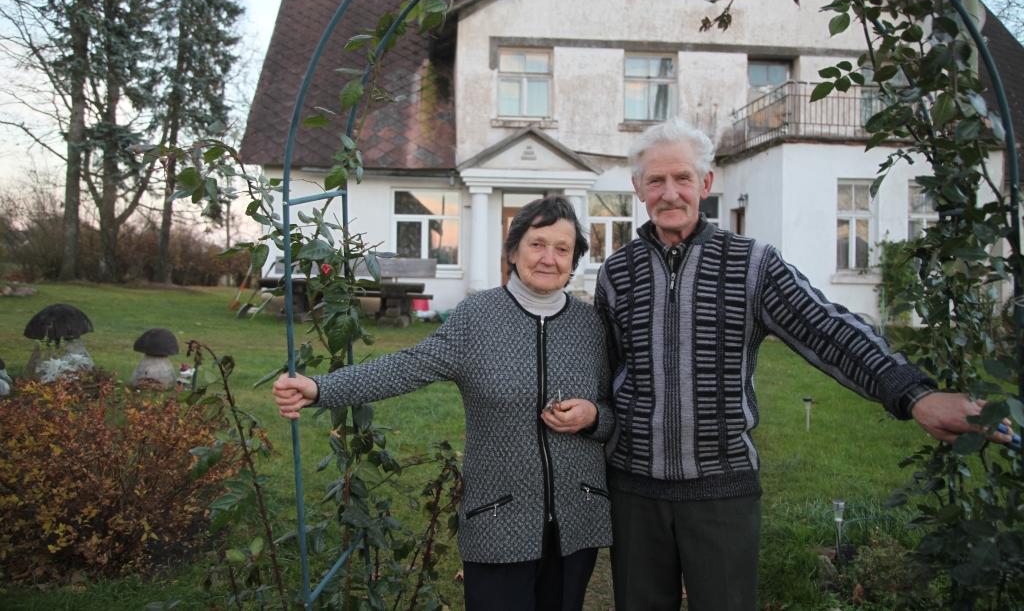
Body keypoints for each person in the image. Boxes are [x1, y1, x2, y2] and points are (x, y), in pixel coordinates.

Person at [594, 118, 1015, 611]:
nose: (670, 193)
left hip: (722, 492)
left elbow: (827, 329)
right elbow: (603, 371)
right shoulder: (616, 273)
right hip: (633, 492)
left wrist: (913, 394)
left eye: (682, 178)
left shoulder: (753, 263)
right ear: (638, 188)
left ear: (706, 184)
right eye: (656, 180)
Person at [273, 196, 613, 611]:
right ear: (512, 250)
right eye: (537, 244)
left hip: (577, 521)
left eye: (562, 249)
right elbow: (407, 367)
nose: (549, 258)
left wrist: (594, 416)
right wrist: (320, 388)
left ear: (574, 259)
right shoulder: (477, 318)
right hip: (499, 518)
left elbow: (614, 410)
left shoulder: (590, 325)